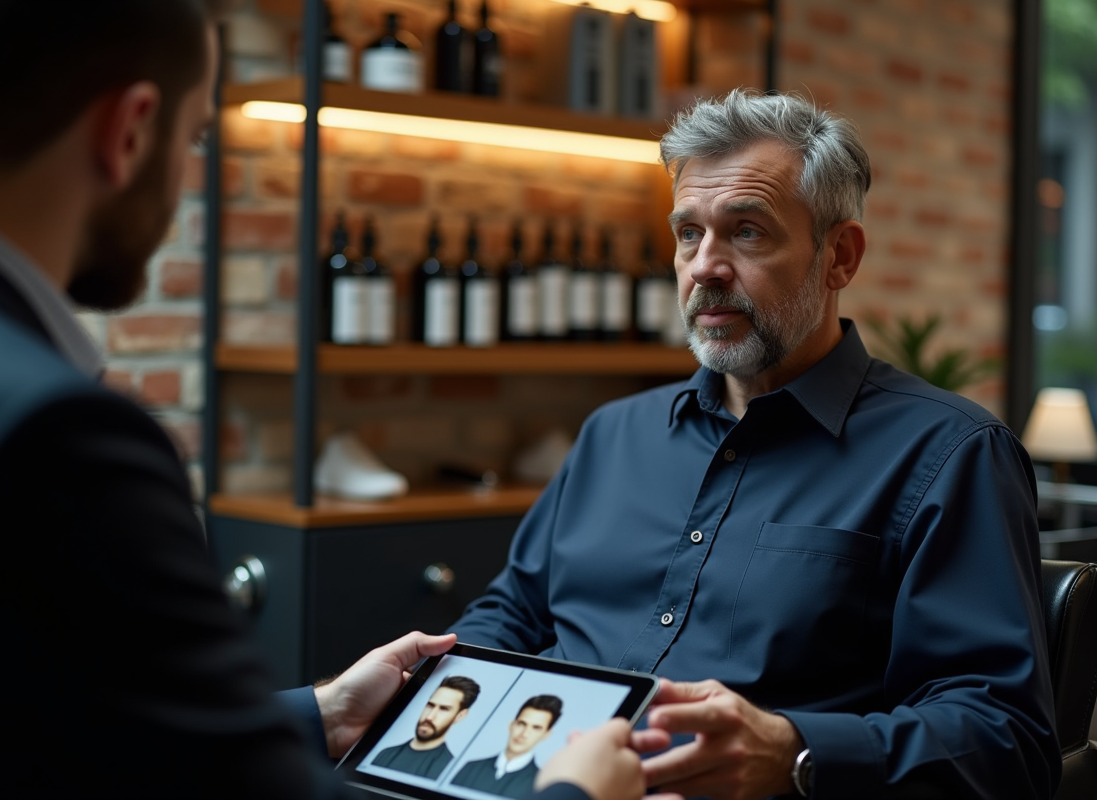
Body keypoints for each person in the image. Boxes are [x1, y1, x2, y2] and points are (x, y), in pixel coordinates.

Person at [0, 2, 652, 799]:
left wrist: (317, 712)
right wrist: (574, 794)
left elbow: (44, 723)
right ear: (129, 130)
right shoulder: (54, 435)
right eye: (193, 141)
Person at [449, 89, 1062, 800]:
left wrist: (796, 751)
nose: (704, 267)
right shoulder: (612, 433)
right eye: (688, 233)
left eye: (746, 232)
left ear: (840, 256)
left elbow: (1003, 739)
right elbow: (514, 616)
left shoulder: (952, 456)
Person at [452, 695, 564, 798]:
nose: (524, 734)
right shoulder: (471, 768)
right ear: (511, 725)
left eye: (536, 728)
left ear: (546, 734)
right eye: (522, 724)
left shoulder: (541, 787)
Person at [373, 676, 482, 778]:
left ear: (460, 715)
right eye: (430, 705)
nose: (429, 717)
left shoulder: (447, 768)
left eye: (444, 709)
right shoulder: (386, 753)